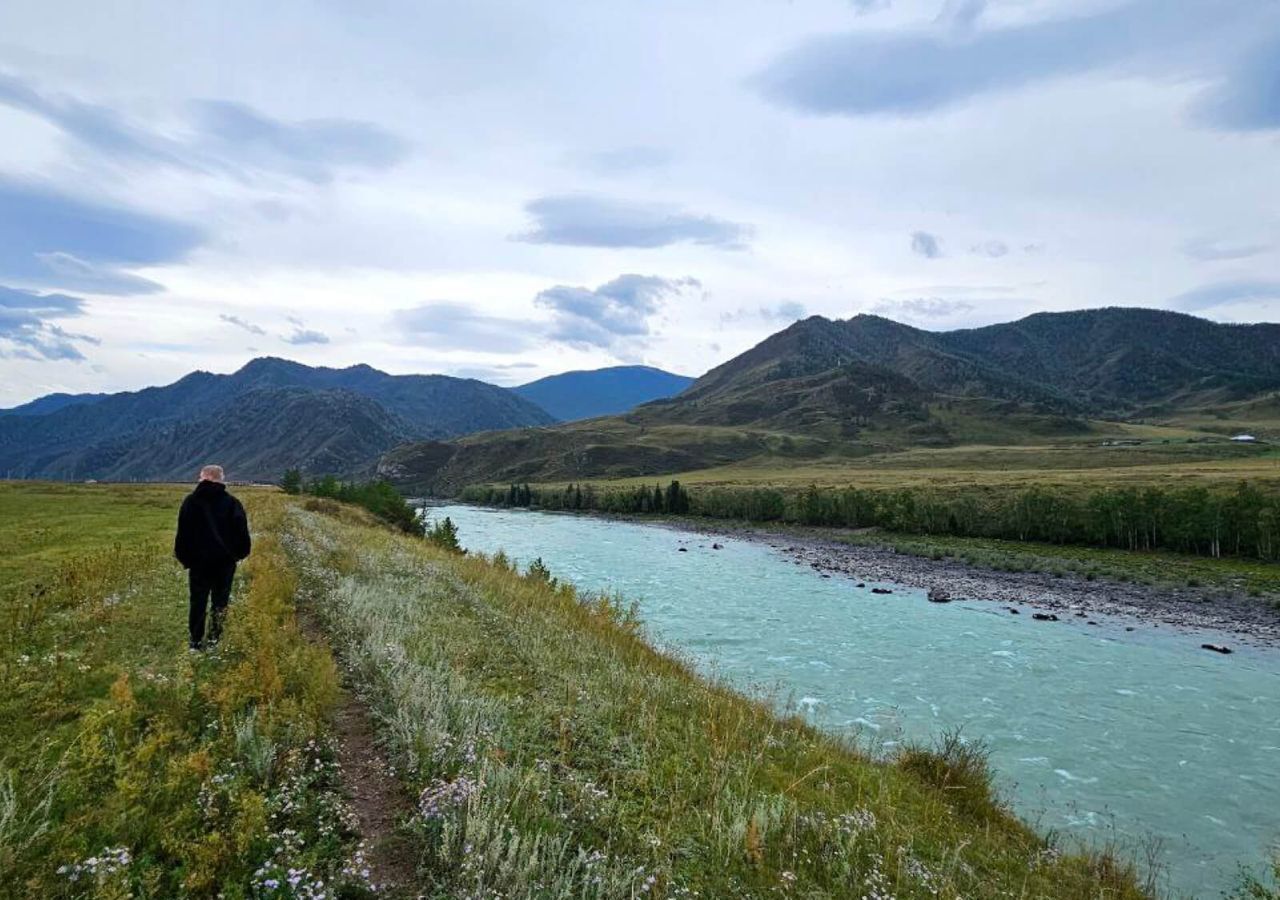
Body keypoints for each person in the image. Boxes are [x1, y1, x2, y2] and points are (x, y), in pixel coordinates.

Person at [174, 465, 251, 649]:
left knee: (198, 601)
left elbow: (182, 535)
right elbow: (242, 535)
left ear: (203, 477)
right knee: (220, 602)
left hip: (198, 564)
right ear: (221, 478)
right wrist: (237, 555)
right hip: (224, 563)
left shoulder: (190, 502)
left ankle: (195, 642)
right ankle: (214, 640)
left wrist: (186, 559)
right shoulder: (232, 503)